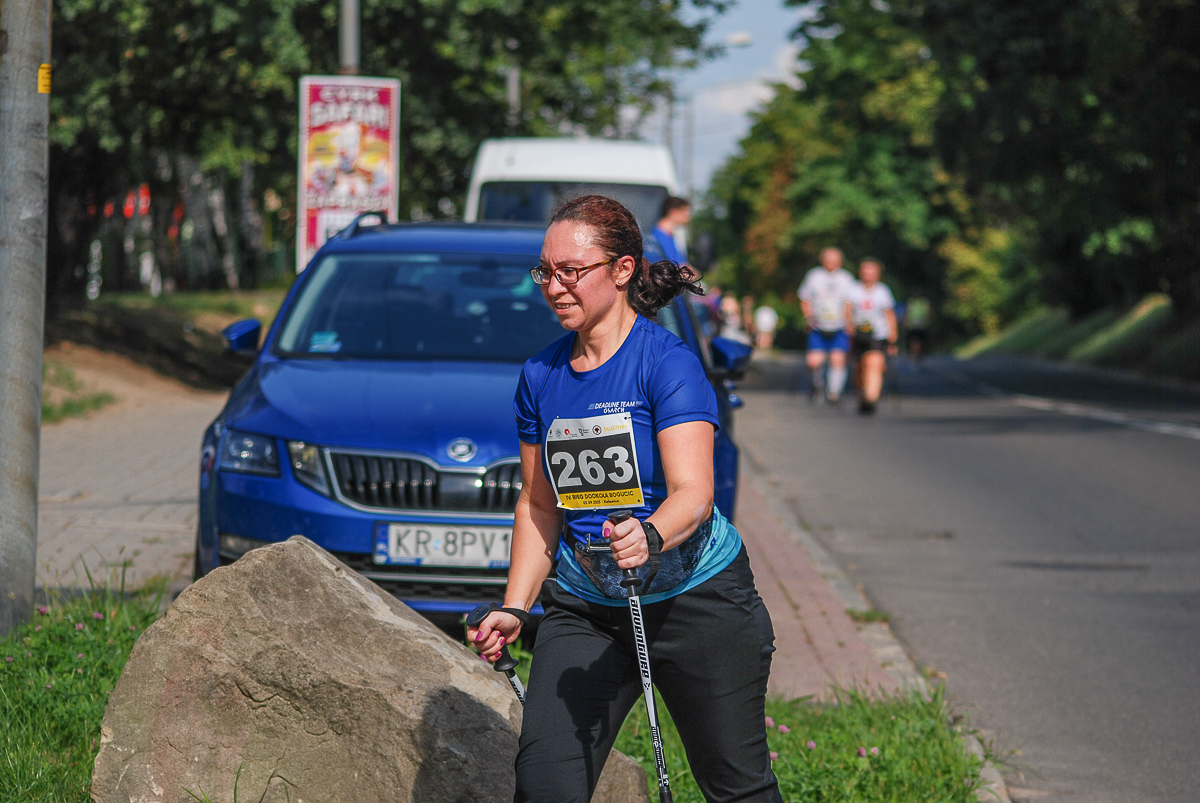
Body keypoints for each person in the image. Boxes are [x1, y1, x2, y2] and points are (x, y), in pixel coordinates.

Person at [468, 195, 781, 803]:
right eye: (546, 272)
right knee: (545, 785)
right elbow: (539, 504)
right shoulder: (540, 375)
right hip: (588, 607)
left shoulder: (667, 364)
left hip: (699, 600)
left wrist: (651, 534)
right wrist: (515, 605)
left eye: (572, 271)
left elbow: (694, 492)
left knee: (736, 789)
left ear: (622, 270)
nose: (555, 286)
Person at [798, 246, 855, 402]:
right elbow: (804, 299)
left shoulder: (846, 278)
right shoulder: (814, 276)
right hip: (818, 325)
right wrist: (808, 317)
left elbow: (850, 302)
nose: (831, 263)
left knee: (838, 359)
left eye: (834, 260)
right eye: (828, 260)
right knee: (813, 361)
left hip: (839, 326)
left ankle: (834, 392)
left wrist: (849, 322)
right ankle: (818, 384)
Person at [848, 258, 898, 415]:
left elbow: (889, 313)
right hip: (858, 335)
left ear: (878, 275)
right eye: (865, 273)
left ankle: (871, 397)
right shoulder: (853, 289)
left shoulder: (883, 291)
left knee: (874, 363)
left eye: (872, 273)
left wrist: (893, 336)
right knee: (859, 368)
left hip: (877, 335)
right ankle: (862, 397)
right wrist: (849, 326)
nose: (868, 276)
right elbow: (847, 310)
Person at [650, 195, 690, 265]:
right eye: (685, 212)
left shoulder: (668, 236)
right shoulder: (659, 238)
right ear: (673, 212)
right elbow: (677, 266)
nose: (688, 217)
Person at [905, 292, 932, 362]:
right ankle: (916, 355)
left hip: (920, 326)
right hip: (915, 326)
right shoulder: (916, 302)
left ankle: (917, 354)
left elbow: (929, 313)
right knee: (916, 341)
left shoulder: (914, 302)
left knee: (918, 341)